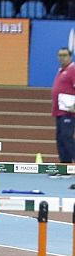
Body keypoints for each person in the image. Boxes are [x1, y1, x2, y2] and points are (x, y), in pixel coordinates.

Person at [51, 47, 75, 176]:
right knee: (60, 138)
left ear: (70, 56)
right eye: (59, 55)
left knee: (66, 137)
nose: (61, 57)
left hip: (69, 112)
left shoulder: (72, 69)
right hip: (60, 111)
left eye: (64, 55)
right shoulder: (62, 70)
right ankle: (64, 167)